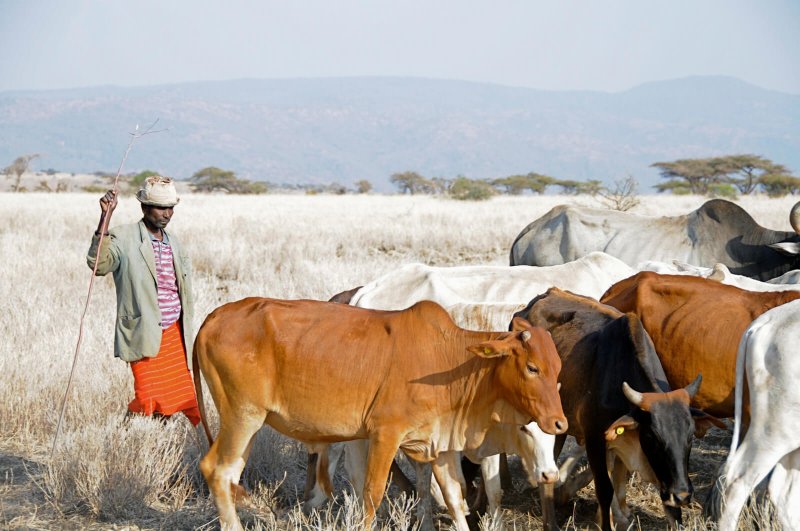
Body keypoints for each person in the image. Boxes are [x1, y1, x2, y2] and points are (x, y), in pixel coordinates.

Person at [87, 175, 200, 425]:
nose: (167, 214)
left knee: (177, 397)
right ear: (144, 207)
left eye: (170, 207)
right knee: (148, 395)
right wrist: (105, 218)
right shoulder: (123, 237)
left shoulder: (175, 244)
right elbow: (99, 265)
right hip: (143, 330)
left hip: (174, 331)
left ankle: (155, 444)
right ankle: (126, 437)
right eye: (161, 207)